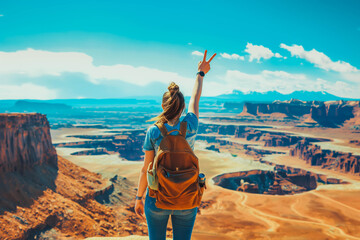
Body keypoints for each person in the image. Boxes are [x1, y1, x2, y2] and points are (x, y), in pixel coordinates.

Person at [134, 50, 216, 240]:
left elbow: (146, 168)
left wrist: (139, 198)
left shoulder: (153, 131)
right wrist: (200, 73)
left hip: (157, 199)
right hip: (187, 197)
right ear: (182, 107)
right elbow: (196, 99)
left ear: (164, 106)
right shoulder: (191, 125)